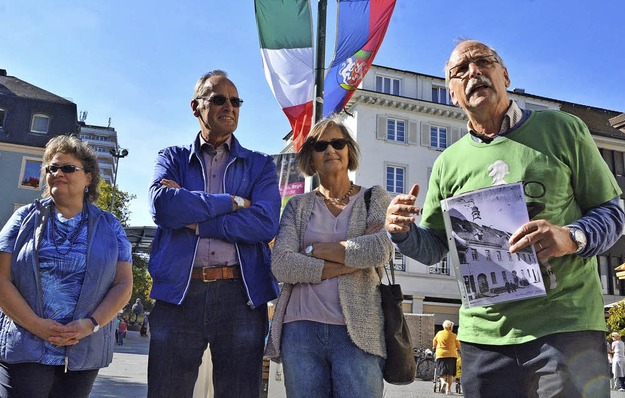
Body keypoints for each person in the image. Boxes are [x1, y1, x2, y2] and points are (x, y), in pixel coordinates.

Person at [385, 39, 625, 397]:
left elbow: (612, 213)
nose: (473, 72)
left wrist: (569, 237)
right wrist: (402, 232)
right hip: (483, 338)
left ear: (505, 75)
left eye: (484, 61)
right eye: (460, 71)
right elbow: (435, 246)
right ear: (451, 94)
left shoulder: (563, 129)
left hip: (565, 326)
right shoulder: (448, 163)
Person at [147, 70, 281, 397]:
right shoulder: (172, 158)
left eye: (236, 101)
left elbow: (265, 223)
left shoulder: (260, 165)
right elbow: (163, 208)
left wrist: (198, 220)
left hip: (241, 295)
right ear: (196, 106)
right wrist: (233, 202)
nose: (229, 107)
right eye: (219, 99)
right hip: (179, 293)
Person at [265, 117, 394, 398]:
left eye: (338, 143)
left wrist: (314, 250)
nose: (330, 150)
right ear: (310, 158)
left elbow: (381, 250)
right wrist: (350, 259)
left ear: (349, 153)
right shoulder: (297, 206)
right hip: (300, 332)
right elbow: (282, 264)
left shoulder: (374, 198)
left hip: (358, 331)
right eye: (321, 145)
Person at [0, 135, 133, 397]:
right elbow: (1, 279)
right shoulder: (23, 219)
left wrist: (91, 324)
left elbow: (123, 284)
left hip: (83, 350)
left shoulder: (110, 226)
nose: (57, 173)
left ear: (89, 177)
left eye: (68, 168)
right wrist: (36, 324)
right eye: (52, 168)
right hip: (25, 345)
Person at [432, 320, 461, 395]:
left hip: (440, 354)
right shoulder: (453, 335)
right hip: (451, 355)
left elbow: (434, 342)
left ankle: (443, 382)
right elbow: (458, 345)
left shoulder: (439, 333)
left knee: (442, 372)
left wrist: (434, 347)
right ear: (450, 327)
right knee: (450, 373)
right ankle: (448, 390)